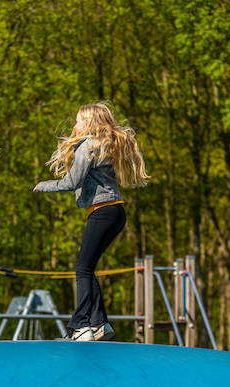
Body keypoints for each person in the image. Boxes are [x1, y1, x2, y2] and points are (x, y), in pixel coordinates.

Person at [33, 102, 148, 341]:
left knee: (82, 269)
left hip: (103, 211)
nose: (75, 125)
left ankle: (81, 326)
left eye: (78, 120)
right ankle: (100, 325)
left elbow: (71, 182)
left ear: (89, 124)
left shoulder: (88, 147)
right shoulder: (104, 146)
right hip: (115, 211)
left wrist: (43, 186)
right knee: (88, 268)